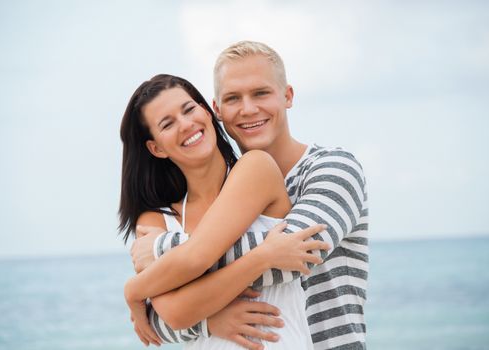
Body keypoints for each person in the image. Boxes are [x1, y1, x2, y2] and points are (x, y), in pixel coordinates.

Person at [131, 41, 369, 350]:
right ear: (217, 110)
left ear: (287, 96)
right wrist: (208, 320)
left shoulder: (332, 168)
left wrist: (161, 253)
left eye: (261, 93)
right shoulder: (226, 195)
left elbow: (295, 254)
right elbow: (158, 322)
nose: (248, 109)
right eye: (233, 98)